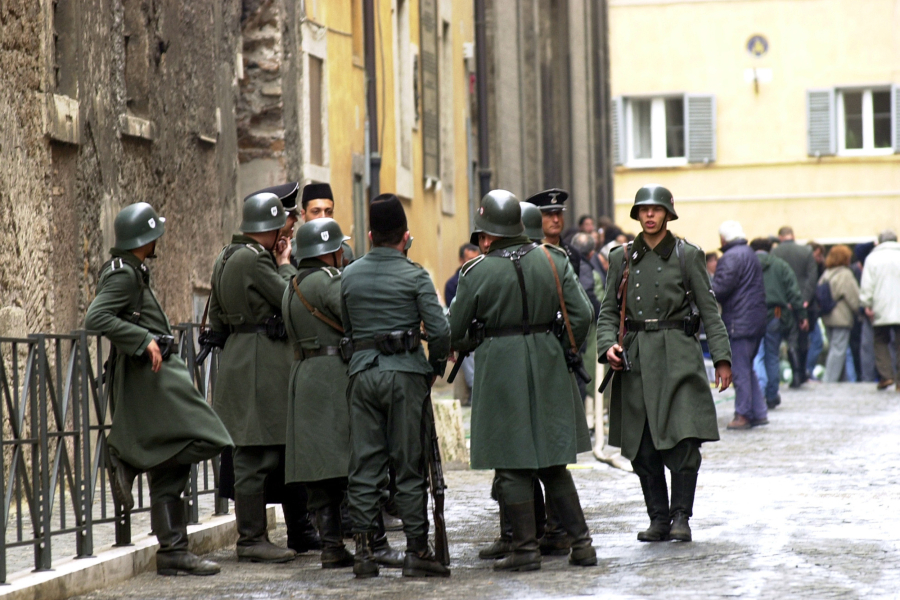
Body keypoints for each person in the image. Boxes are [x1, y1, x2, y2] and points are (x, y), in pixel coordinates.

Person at [450, 190, 596, 572]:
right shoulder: (553, 259)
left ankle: (526, 550)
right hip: (548, 360)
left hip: (501, 366)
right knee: (554, 463)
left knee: (512, 463)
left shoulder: (475, 271)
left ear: (486, 234)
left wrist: (472, 341)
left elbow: (454, 330)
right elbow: (582, 315)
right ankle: (582, 545)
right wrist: (563, 347)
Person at [85, 203, 233, 576]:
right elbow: (96, 316)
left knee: (174, 456)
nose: (159, 240)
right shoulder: (123, 275)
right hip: (149, 376)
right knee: (210, 435)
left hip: (155, 375)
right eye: (155, 234)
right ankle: (131, 457)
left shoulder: (133, 270)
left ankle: (172, 550)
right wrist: (143, 340)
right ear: (144, 237)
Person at [598, 185, 732, 544]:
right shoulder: (621, 258)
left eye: (656, 209)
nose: (650, 215)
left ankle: (680, 517)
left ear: (668, 214)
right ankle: (658, 518)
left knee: (684, 442)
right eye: (643, 209)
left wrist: (721, 359)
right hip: (636, 356)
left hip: (679, 355)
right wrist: (607, 345)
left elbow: (709, 310)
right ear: (637, 215)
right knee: (641, 447)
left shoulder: (689, 255)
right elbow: (608, 311)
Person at [282, 218, 404, 570]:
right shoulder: (329, 281)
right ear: (332, 251)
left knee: (321, 470)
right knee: (359, 462)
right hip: (335, 378)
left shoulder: (293, 284)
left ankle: (332, 546)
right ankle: (373, 542)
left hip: (304, 379)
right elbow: (357, 315)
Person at [341, 194, 451, 578]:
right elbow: (439, 332)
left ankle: (364, 553)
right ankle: (417, 550)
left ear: (370, 235)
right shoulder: (415, 275)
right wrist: (433, 367)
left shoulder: (349, 274)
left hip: (362, 374)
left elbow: (348, 330)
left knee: (365, 465)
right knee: (408, 465)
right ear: (406, 236)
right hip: (405, 375)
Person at [208, 192, 300, 564]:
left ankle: (252, 536)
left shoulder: (226, 256)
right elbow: (290, 298)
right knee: (253, 456)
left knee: (248, 451)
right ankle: (251, 539)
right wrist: (285, 263)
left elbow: (215, 315)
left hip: (237, 357)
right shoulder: (254, 259)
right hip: (258, 363)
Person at [713, 221, 767, 430]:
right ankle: (759, 411)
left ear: (723, 239)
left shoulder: (731, 257)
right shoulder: (749, 253)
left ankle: (743, 414)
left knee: (740, 369)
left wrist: (704, 287)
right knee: (747, 367)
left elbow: (720, 288)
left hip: (739, 321)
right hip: (754, 319)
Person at [749, 237, 806, 409]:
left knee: (757, 355)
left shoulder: (748, 264)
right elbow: (794, 291)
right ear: (770, 248)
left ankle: (759, 392)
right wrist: (802, 315)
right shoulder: (780, 265)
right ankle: (772, 395)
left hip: (751, 314)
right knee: (772, 355)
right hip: (775, 314)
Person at [771, 226, 817, 386]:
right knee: (803, 337)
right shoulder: (806, 251)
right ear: (793, 235)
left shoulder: (775, 253)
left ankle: (796, 373)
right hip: (804, 303)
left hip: (783, 304)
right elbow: (812, 277)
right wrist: (805, 300)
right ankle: (801, 372)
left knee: (790, 338)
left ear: (780, 237)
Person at [860, 230, 900, 390]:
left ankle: (886, 376)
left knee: (880, 341)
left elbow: (867, 284)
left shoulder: (872, 258)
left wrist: (866, 304)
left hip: (880, 307)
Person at [818, 245, 860, 383]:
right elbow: (854, 297)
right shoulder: (845, 274)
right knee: (838, 350)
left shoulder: (826, 273)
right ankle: (829, 380)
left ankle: (842, 380)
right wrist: (859, 311)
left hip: (827, 315)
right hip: (841, 316)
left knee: (834, 348)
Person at [525, 188, 581, 274]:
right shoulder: (528, 253)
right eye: (549, 215)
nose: (556, 220)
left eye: (558, 214)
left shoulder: (573, 253)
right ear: (537, 218)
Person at [300, 182, 355, 264]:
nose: (323, 217)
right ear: (303, 214)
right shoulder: (293, 251)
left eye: (328, 212)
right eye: (316, 212)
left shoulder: (344, 251)